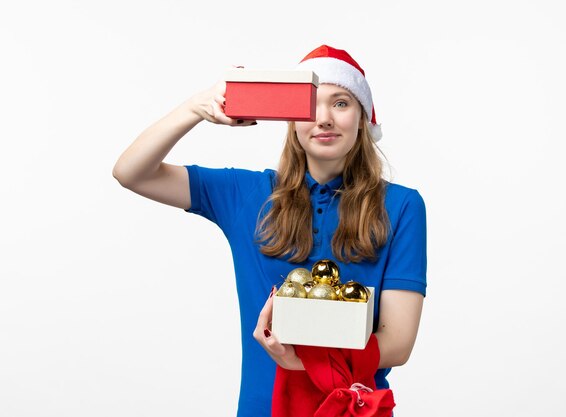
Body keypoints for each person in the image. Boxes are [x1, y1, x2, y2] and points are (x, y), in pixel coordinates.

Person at [113, 45, 426, 417]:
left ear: (362, 117)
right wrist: (196, 108)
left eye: (341, 103)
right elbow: (132, 172)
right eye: (310, 105)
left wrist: (304, 361)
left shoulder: (402, 206)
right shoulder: (247, 195)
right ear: (292, 119)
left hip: (355, 409)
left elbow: (398, 343)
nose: (323, 118)